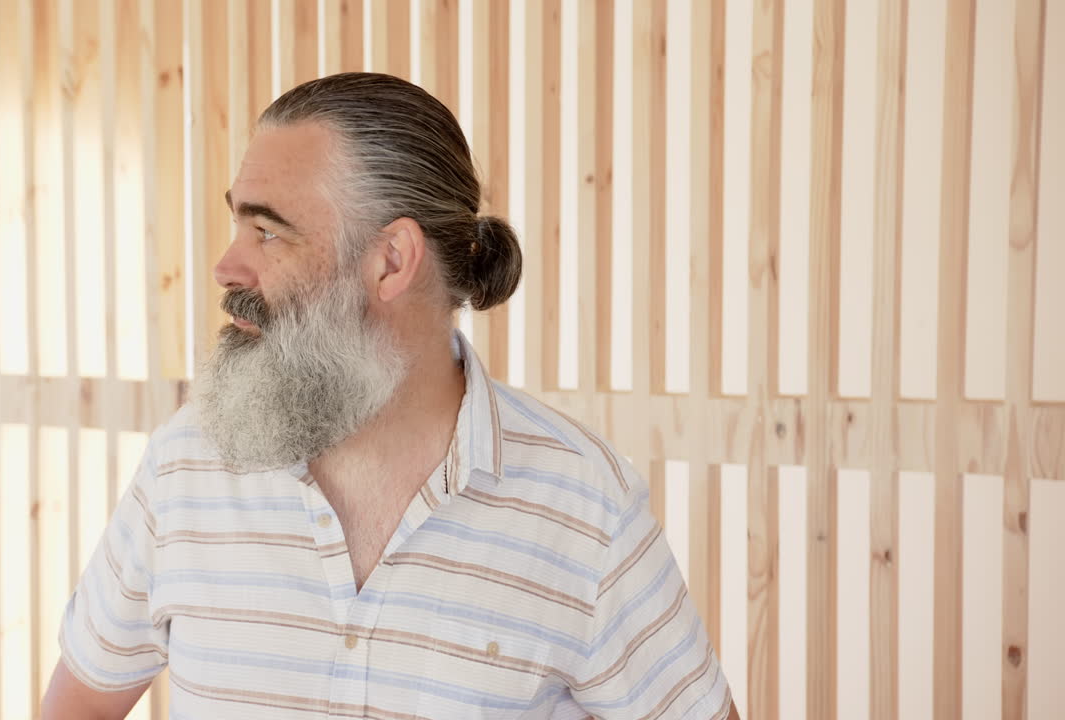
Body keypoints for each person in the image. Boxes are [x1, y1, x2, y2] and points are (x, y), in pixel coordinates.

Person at [41, 72, 737, 719]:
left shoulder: (585, 507)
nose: (227, 266)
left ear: (391, 260)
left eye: (268, 230)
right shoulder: (184, 468)